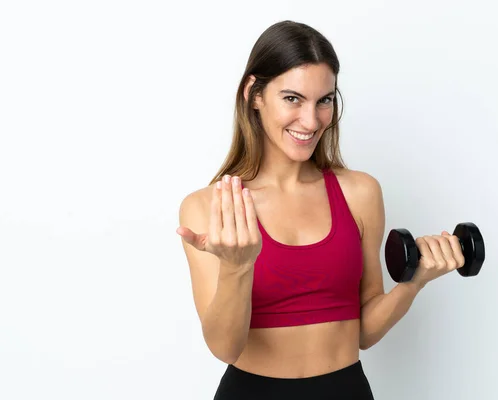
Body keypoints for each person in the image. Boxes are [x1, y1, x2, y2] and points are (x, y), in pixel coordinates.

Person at [176, 20, 466, 400]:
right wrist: (236, 266)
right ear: (254, 94)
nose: (311, 121)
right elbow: (225, 348)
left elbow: (364, 331)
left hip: (345, 389)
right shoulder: (209, 208)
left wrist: (414, 282)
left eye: (324, 100)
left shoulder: (359, 193)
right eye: (293, 99)